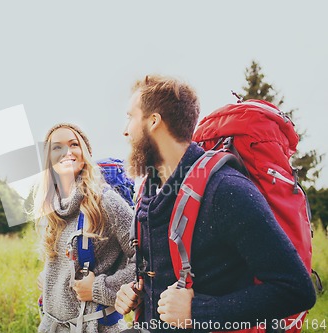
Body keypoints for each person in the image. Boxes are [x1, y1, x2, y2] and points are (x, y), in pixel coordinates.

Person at [114, 75, 316, 332]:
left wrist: (197, 311)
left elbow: (296, 291)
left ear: (153, 121)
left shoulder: (225, 189)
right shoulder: (149, 193)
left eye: (130, 117)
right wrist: (138, 292)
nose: (125, 130)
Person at [33, 123, 135, 332]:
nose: (67, 152)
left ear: (85, 153)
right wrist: (51, 280)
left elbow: (147, 256)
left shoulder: (106, 202)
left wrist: (100, 288)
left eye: (73, 144)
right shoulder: (52, 209)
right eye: (57, 147)